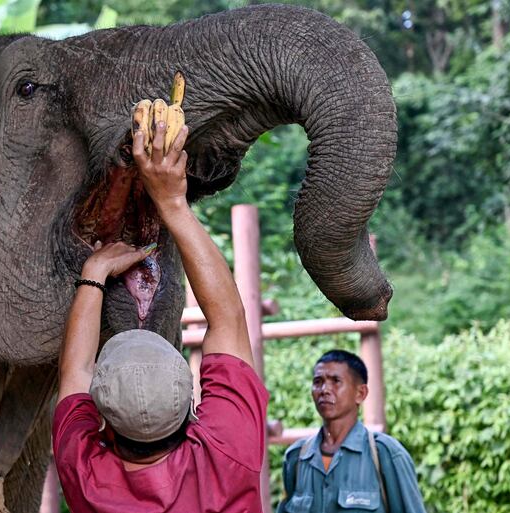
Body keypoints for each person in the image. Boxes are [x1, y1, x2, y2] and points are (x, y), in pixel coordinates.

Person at [52, 117, 269, 512]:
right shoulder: (227, 457)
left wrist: (95, 272)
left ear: (105, 428)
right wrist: (172, 202)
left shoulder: (87, 480)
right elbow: (229, 319)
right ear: (190, 405)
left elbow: (76, 371)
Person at [277, 350, 426, 513]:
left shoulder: (386, 453)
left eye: (336, 381)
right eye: (318, 381)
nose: (324, 390)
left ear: (360, 393)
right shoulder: (297, 457)